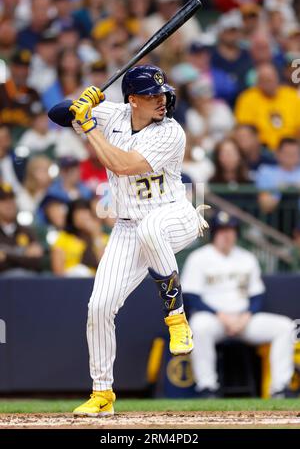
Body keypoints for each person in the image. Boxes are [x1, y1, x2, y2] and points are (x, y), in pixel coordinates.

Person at [48, 64, 209, 416]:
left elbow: (121, 164)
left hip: (175, 214)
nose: (161, 100)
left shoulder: (171, 132)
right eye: (152, 95)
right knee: (99, 307)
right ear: (133, 100)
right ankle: (102, 393)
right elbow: (56, 112)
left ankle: (176, 319)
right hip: (125, 227)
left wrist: (88, 125)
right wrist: (82, 102)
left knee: (152, 227)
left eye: (162, 94)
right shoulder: (114, 114)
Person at [181, 211, 295, 398]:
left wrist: (246, 316)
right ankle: (207, 387)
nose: (227, 235)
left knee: (284, 326)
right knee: (199, 326)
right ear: (214, 234)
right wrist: (221, 315)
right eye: (222, 231)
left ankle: (280, 388)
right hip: (214, 319)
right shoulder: (199, 257)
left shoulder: (246, 257)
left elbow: (257, 295)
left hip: (243, 319)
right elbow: (191, 296)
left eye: (231, 230)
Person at [235, 63, 300, 150]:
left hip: (291, 147)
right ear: (258, 82)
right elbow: (245, 128)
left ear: (277, 78)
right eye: (265, 80)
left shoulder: (291, 96)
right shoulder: (247, 98)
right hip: (261, 148)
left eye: (272, 79)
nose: (270, 84)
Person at [51, 199, 106, 277]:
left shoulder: (101, 237)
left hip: (95, 280)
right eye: (79, 213)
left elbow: (106, 265)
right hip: (71, 281)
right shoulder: (63, 238)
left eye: (85, 213)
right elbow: (58, 272)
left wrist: (95, 235)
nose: (83, 217)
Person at [0, 182, 43, 276]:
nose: (9, 204)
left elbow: (37, 262)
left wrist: (6, 256)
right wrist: (24, 254)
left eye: (11, 199)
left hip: (28, 282)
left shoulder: (27, 230)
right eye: (3, 200)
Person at [256, 137, 300, 214]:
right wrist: (281, 190)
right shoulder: (266, 172)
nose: (291, 156)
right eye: (287, 153)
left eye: (295, 153)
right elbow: (265, 205)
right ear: (278, 153)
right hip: (274, 219)